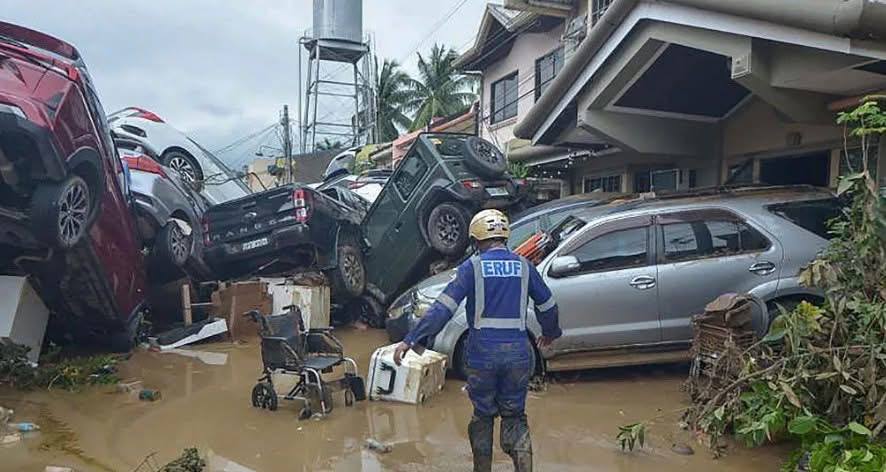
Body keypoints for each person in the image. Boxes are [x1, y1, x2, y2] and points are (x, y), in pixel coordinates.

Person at [393, 209, 561, 472]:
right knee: (515, 416)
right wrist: (550, 334)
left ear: (476, 240)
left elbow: (443, 307)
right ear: (504, 236)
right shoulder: (525, 267)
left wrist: (413, 338)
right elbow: (548, 305)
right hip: (519, 353)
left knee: (482, 416)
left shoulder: (472, 267)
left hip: (483, 355)